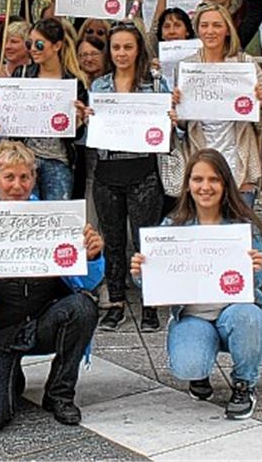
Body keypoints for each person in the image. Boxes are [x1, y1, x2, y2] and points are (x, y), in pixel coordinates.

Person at [0, 142, 104, 431]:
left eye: (24, 177)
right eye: (9, 177)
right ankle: (9, 371)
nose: (17, 185)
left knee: (83, 306)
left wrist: (92, 257)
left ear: (34, 179)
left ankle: (59, 393)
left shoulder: (56, 220)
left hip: (43, 323)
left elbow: (87, 283)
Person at [130, 149, 262, 420]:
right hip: (192, 315)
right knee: (188, 365)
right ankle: (199, 369)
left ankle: (244, 384)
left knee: (249, 317)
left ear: (225, 184)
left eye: (213, 180)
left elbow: (257, 285)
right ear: (188, 185)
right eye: (197, 179)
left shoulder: (243, 227)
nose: (205, 187)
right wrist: (140, 272)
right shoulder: (172, 226)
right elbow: (154, 284)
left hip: (234, 313)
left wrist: (257, 268)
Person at [90, 21, 175, 333]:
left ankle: (150, 305)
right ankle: (116, 304)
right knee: (113, 243)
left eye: (128, 46)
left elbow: (171, 132)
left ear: (138, 49)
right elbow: (92, 135)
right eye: (116, 47)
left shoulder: (154, 85)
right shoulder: (99, 87)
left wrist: (172, 119)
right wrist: (84, 119)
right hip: (107, 172)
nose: (121, 53)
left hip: (143, 173)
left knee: (145, 242)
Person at [178, 3, 262, 209]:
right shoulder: (188, 66)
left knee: (240, 231)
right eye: (204, 25)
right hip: (201, 159)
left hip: (240, 160)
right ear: (197, 29)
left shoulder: (245, 63)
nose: (210, 31)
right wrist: (177, 107)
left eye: (217, 25)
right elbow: (182, 125)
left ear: (227, 29)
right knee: (206, 232)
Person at [0, 18, 88, 200]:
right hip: (24, 161)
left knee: (56, 217)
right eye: (29, 43)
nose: (32, 49)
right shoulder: (22, 74)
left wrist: (80, 121)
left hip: (57, 160)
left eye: (39, 44)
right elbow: (9, 124)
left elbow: (76, 135)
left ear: (57, 46)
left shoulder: (73, 83)